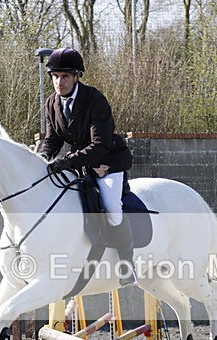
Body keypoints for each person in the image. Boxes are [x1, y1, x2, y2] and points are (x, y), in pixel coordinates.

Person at [36, 47, 137, 287]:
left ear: (77, 76)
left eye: (65, 76)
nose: (59, 82)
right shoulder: (52, 103)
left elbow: (99, 145)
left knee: (112, 207)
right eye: (55, 76)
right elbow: (52, 140)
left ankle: (127, 265)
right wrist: (40, 160)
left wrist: (65, 162)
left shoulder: (95, 99)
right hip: (81, 163)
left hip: (108, 161)